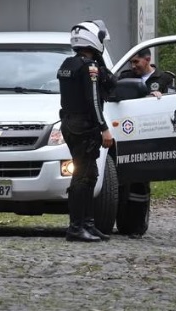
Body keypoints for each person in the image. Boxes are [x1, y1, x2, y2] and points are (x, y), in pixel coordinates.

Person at [57, 20, 116, 242]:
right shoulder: (89, 67)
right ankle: (76, 227)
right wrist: (104, 129)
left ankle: (88, 224)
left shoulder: (68, 63)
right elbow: (93, 100)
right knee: (82, 177)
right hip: (84, 127)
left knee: (89, 174)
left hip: (71, 123)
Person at [116, 47, 176, 239]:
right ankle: (119, 222)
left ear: (147, 60)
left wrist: (161, 99)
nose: (133, 66)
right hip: (125, 133)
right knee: (120, 183)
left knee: (139, 183)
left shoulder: (164, 79)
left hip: (149, 135)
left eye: (136, 62)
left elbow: (174, 102)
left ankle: (137, 226)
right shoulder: (124, 77)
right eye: (131, 63)